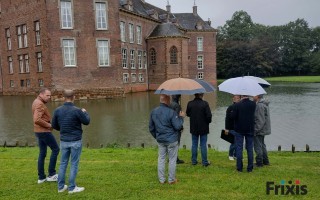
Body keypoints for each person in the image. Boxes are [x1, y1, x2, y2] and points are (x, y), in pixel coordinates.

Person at [52, 90, 90, 193]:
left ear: (63, 97)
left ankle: (60, 187)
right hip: (75, 141)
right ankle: (72, 187)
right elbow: (87, 121)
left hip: (64, 141)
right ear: (74, 97)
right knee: (74, 164)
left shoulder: (57, 110)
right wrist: (85, 112)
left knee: (63, 163)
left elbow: (54, 125)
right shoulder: (77, 110)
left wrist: (63, 129)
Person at [149, 94, 185, 184]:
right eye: (169, 100)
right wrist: (181, 117)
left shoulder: (153, 112)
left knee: (161, 159)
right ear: (167, 101)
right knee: (172, 160)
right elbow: (178, 126)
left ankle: (161, 180)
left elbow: (151, 128)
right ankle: (171, 179)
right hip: (171, 140)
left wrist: (157, 136)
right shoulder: (171, 112)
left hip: (160, 140)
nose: (170, 101)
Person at [32, 88, 60, 184]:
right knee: (56, 149)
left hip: (39, 131)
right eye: (47, 95)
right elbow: (37, 119)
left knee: (42, 153)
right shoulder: (39, 104)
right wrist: (50, 125)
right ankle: (51, 174)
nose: (49, 97)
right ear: (41, 94)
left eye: (50, 95)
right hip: (44, 131)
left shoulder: (36, 101)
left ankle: (41, 177)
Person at [231, 95, 256, 172]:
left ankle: (239, 167)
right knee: (250, 149)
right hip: (250, 128)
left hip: (239, 129)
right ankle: (250, 168)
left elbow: (233, 117)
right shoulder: (253, 104)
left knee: (239, 148)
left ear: (241, 95)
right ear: (248, 95)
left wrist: (232, 112)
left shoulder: (237, 105)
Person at [186, 93, 212, 167]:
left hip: (193, 127)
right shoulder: (205, 104)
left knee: (194, 144)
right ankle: (204, 162)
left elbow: (188, 114)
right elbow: (209, 116)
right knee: (203, 144)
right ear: (202, 95)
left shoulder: (190, 103)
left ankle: (194, 161)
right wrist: (207, 122)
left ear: (194, 94)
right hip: (204, 127)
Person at [253, 95, 271, 167]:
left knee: (258, 146)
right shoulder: (264, 104)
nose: (252, 96)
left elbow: (260, 120)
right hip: (263, 129)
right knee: (262, 145)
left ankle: (259, 163)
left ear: (257, 96)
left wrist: (255, 130)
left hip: (259, 130)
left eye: (253, 95)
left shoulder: (260, 106)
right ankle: (266, 161)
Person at [225, 95, 241, 161]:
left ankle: (236, 155)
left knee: (238, 143)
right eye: (234, 98)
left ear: (240, 99)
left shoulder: (241, 107)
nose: (235, 99)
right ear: (233, 99)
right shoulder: (230, 107)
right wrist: (226, 128)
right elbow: (227, 119)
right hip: (232, 128)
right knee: (234, 143)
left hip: (239, 128)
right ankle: (230, 155)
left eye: (237, 98)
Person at [170, 94, 184, 164]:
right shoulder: (177, 106)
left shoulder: (170, 104)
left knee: (172, 142)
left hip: (170, 127)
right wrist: (182, 116)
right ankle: (175, 158)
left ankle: (171, 157)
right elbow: (178, 118)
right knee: (177, 142)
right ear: (179, 97)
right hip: (176, 127)